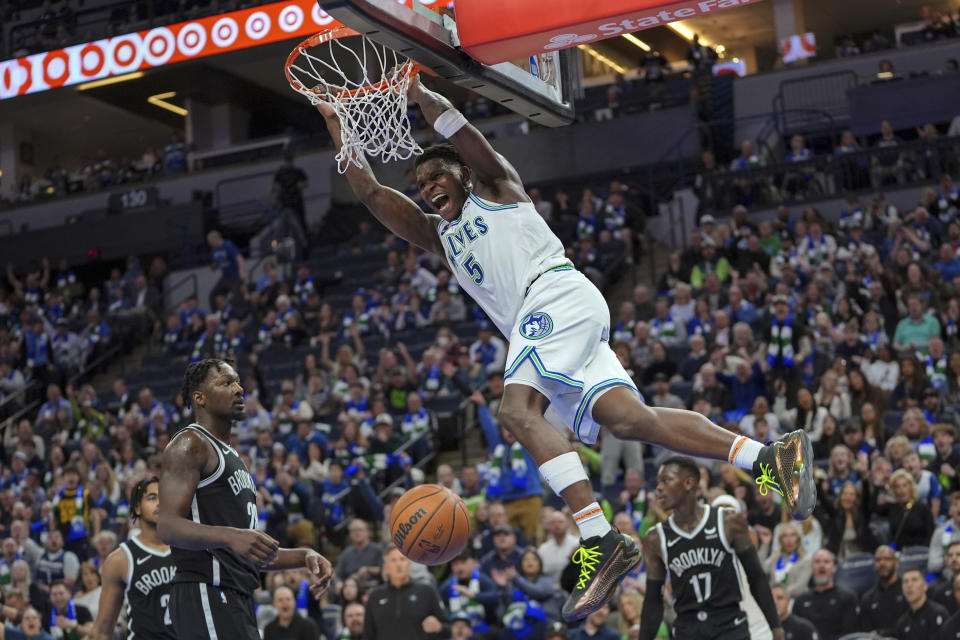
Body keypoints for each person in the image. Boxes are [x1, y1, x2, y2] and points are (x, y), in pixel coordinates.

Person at [315, 60, 814, 623]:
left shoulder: (497, 187)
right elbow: (371, 192)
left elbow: (468, 138)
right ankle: (769, 456)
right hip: (551, 320)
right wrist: (338, 127)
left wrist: (419, 93)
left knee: (515, 409)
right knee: (631, 421)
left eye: (437, 178)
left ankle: (599, 538)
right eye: (421, 186)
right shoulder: (440, 237)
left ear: (462, 176)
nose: (428, 189)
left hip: (553, 296)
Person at [158, 359, 332, 640]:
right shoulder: (191, 444)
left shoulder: (234, 458)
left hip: (237, 597)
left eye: (238, 382)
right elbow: (166, 526)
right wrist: (231, 536)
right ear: (198, 397)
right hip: (206, 589)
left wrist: (304, 555)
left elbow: (247, 549)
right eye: (226, 383)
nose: (239, 389)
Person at [639, 457, 783, 640]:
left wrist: (776, 628)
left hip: (729, 626)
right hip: (688, 629)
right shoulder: (655, 538)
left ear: (689, 483)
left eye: (666, 481)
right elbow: (653, 599)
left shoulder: (729, 521)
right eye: (658, 482)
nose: (659, 487)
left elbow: (757, 578)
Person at [90, 476, 175, 640]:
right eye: (152, 498)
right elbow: (102, 630)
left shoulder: (190, 550)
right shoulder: (120, 560)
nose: (159, 503)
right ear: (137, 508)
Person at [363, 547, 447, 640]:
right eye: (393, 560)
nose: (398, 564)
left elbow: (448, 628)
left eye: (402, 559)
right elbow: (368, 635)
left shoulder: (426, 591)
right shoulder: (375, 596)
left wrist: (439, 627)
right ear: (386, 567)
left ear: (409, 564)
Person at [792, 550, 859, 640]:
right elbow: (795, 632)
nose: (821, 565)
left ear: (834, 567)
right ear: (812, 567)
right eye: (817, 562)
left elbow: (850, 633)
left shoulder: (848, 598)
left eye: (826, 562)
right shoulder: (800, 601)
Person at [860, 545, 908, 637]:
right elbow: (866, 633)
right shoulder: (867, 598)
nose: (882, 563)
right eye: (878, 560)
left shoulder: (908, 591)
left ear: (896, 563)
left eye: (887, 559)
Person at [894, 568, 949, 640]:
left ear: (925, 586)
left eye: (914, 580)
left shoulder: (938, 613)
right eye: (905, 581)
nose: (909, 585)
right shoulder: (902, 623)